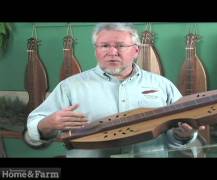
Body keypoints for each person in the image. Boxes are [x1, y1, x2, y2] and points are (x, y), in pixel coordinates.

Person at [25, 23, 205, 157]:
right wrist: (47, 124)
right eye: (104, 46)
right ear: (96, 50)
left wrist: (185, 135)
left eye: (119, 46)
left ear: (136, 50)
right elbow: (35, 126)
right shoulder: (70, 86)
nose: (112, 52)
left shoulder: (162, 85)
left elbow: (176, 135)